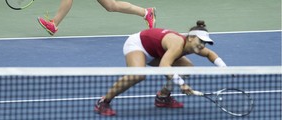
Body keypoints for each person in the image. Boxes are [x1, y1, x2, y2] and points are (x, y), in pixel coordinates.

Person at [94, 20, 227, 116]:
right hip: (137, 45)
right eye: (201, 41)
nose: (203, 45)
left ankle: (162, 97)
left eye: (205, 42)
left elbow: (210, 54)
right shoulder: (177, 43)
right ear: (191, 38)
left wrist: (224, 67)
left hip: (156, 53)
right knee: (138, 75)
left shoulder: (194, 46)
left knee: (187, 68)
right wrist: (182, 84)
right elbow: (164, 66)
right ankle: (103, 101)